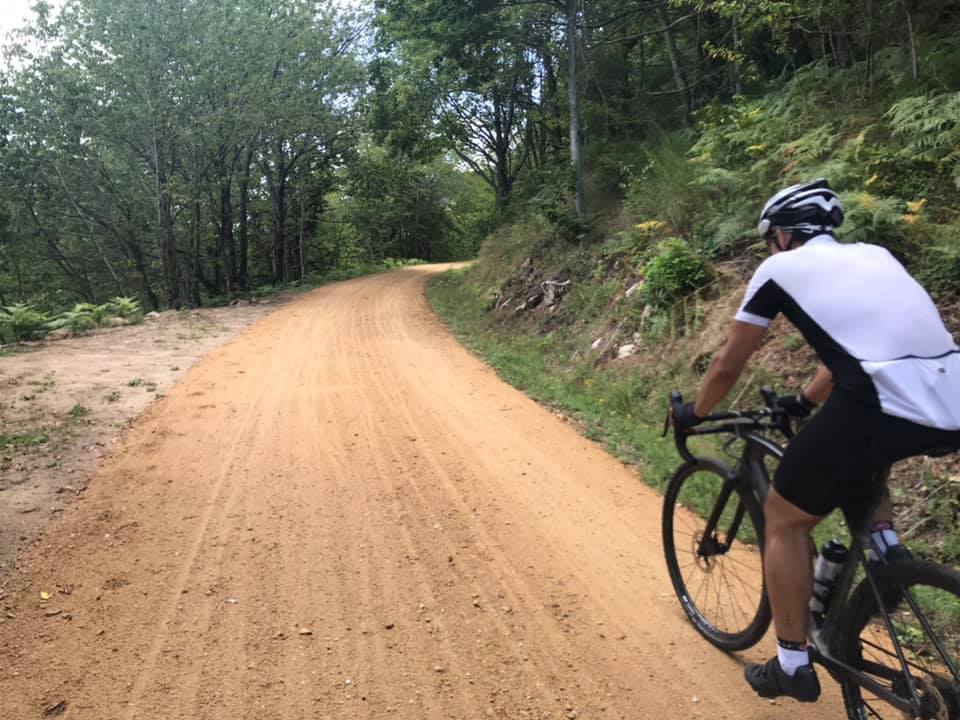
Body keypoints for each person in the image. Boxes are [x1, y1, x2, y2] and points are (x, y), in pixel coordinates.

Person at [673, 178, 960, 702]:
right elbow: (867, 347)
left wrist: (696, 412)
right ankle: (887, 558)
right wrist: (804, 402)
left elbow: (727, 363)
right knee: (866, 457)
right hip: (947, 395)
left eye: (769, 240)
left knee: (784, 518)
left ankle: (791, 664)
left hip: (881, 401)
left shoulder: (779, 268)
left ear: (781, 235)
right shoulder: (876, 256)